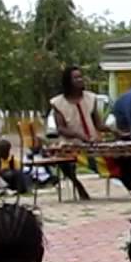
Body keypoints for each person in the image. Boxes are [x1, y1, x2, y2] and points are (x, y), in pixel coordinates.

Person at [49, 66, 101, 201]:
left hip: (93, 144)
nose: (80, 80)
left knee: (123, 159)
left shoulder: (91, 98)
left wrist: (115, 131)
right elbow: (61, 128)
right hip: (71, 145)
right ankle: (78, 186)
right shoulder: (58, 103)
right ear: (68, 82)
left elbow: (99, 124)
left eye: (80, 77)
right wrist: (79, 135)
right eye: (76, 78)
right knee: (62, 159)